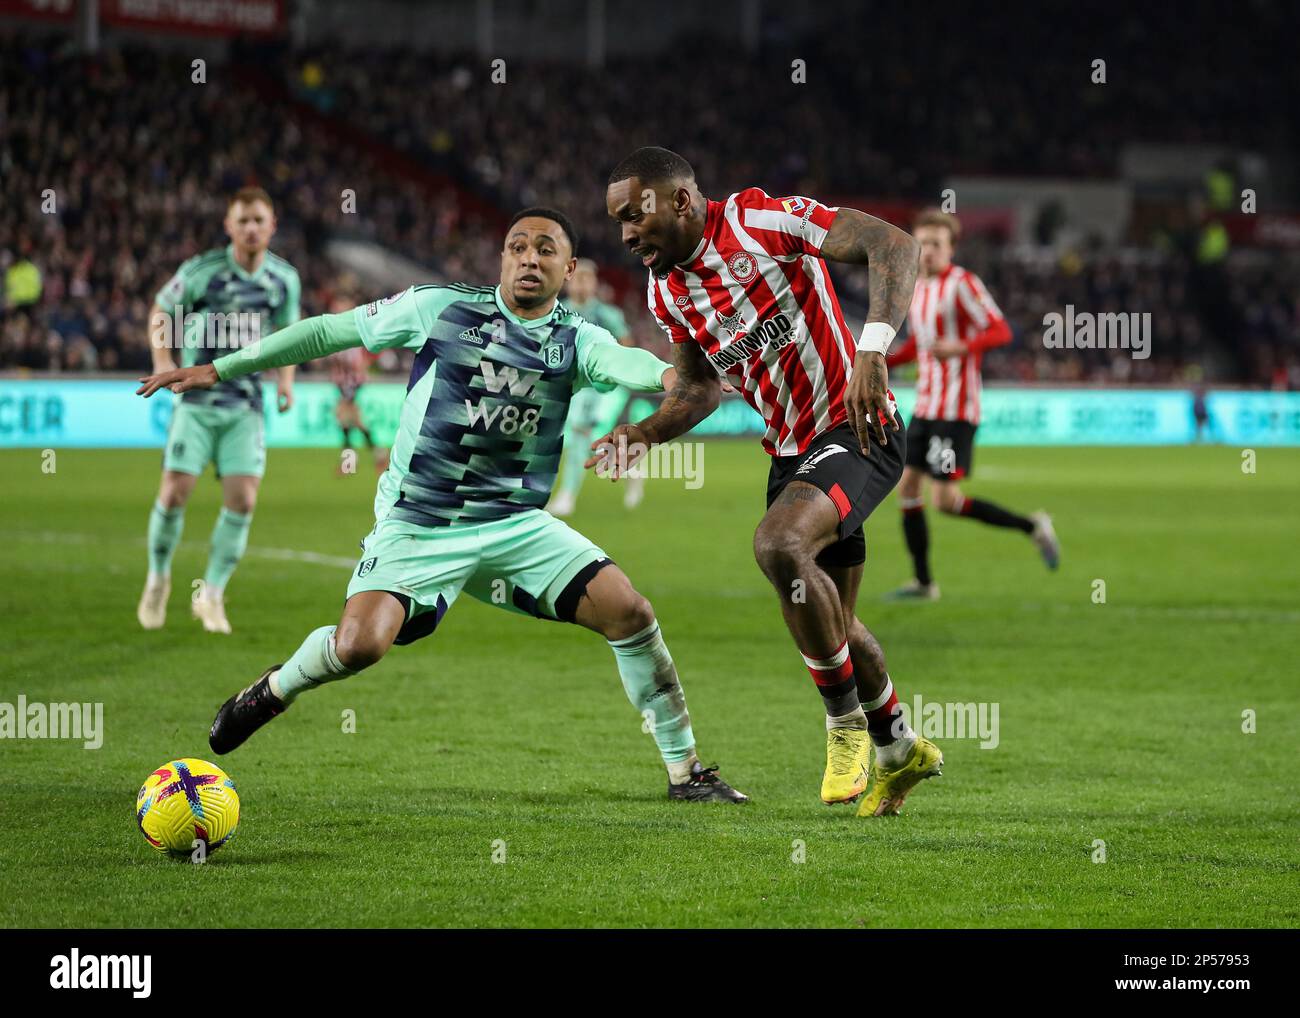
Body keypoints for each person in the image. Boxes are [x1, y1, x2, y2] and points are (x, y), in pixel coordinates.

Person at [136, 207, 747, 803]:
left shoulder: (576, 339)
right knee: (359, 647)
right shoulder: (441, 307)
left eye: (545, 250)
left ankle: (686, 770)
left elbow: (626, 363)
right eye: (518, 247)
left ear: (569, 267)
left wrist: (673, 381)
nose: (529, 259)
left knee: (631, 613)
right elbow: (329, 330)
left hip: (514, 524)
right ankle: (273, 688)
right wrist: (222, 367)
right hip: (419, 522)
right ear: (502, 257)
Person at [601, 146, 939, 817]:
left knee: (778, 546)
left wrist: (872, 345)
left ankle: (844, 727)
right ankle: (901, 751)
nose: (626, 234)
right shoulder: (666, 289)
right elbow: (698, 389)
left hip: (858, 428)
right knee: (832, 618)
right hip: (791, 456)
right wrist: (645, 433)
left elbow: (891, 243)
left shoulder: (761, 221)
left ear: (682, 201)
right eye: (615, 223)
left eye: (633, 216)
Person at [136, 187, 299, 635]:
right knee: (174, 493)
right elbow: (160, 309)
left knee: (244, 500)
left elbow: (289, 334)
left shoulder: (284, 280)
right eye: (242, 220)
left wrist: (285, 383)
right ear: (228, 226)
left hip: (245, 407)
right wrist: (163, 362)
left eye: (258, 220)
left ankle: (211, 594)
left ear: (272, 226)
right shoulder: (202, 272)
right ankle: (158, 578)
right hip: (197, 402)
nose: (251, 228)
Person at [885, 209, 1059, 600]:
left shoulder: (963, 284)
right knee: (908, 488)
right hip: (926, 407)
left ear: (950, 248)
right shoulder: (916, 287)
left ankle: (1033, 526)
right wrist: (881, 358)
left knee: (945, 501)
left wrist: (961, 347)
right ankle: (924, 583)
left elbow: (1000, 330)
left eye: (936, 244)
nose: (927, 251)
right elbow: (919, 345)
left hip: (956, 411)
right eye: (922, 243)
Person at [547, 259, 644, 515]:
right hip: (572, 387)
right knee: (582, 438)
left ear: (594, 283)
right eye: (577, 278)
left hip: (602, 387)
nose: (581, 283)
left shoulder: (607, 314)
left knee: (580, 432)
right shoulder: (557, 311)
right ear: (568, 281)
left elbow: (626, 345)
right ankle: (630, 466)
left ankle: (567, 496)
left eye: (586, 278)